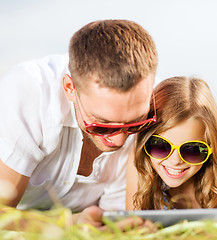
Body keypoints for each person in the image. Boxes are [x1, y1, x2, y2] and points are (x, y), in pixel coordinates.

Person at [0, 19, 158, 228]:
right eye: (102, 125)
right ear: (70, 88)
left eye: (136, 124)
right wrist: (68, 225)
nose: (120, 140)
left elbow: (117, 224)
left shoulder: (153, 101)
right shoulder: (28, 93)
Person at [126, 76, 217, 210]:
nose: (175, 161)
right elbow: (135, 226)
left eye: (192, 150)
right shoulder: (140, 166)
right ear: (144, 143)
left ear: (211, 148)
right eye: (161, 146)